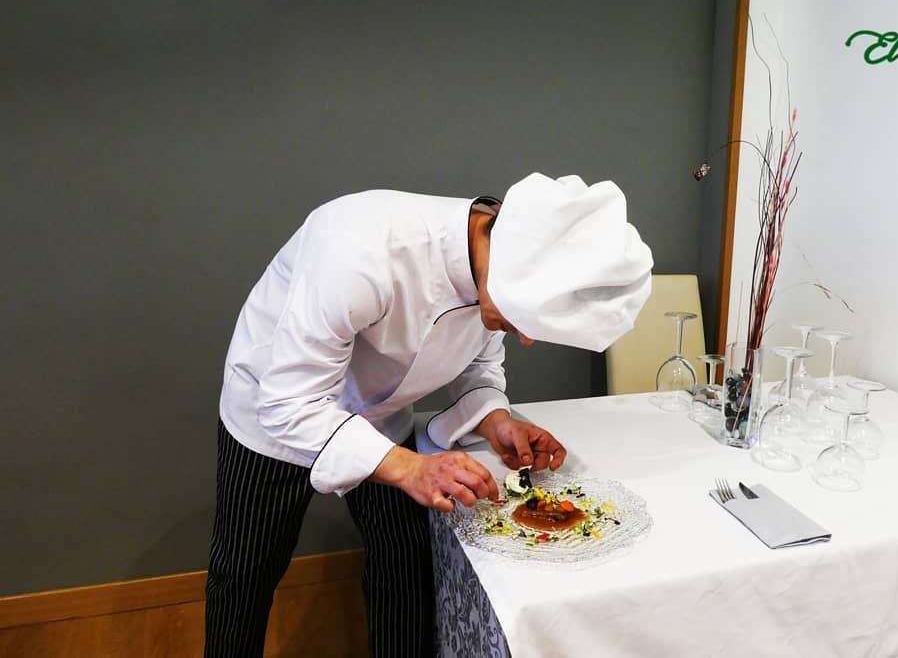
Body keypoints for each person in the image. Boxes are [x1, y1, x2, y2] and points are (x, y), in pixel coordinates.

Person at [204, 172, 653, 657]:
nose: (525, 338)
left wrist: (495, 418)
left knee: (404, 562)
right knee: (245, 574)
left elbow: (478, 363)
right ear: (500, 252)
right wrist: (411, 467)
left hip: (384, 412)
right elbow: (289, 401)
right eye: (526, 320)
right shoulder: (363, 249)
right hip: (275, 407)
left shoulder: (503, 263)